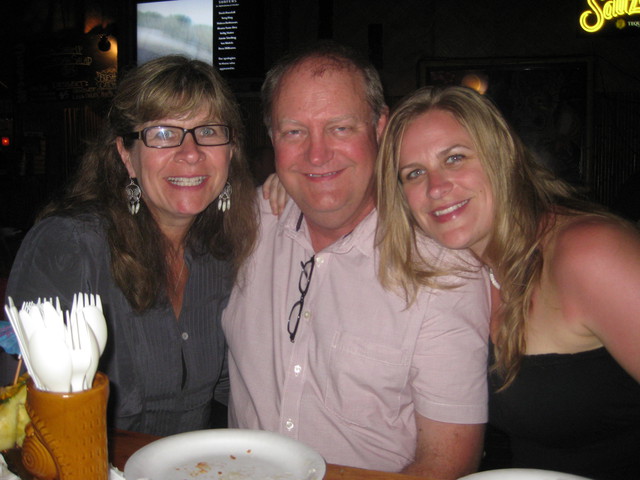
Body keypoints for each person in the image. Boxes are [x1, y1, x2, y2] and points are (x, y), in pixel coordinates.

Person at [222, 41, 490, 477]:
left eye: (340, 128)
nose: (316, 154)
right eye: (294, 132)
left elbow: (447, 462)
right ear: (271, 137)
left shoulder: (444, 272)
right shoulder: (248, 224)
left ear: (380, 127)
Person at [376, 85, 640, 480]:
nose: (435, 187)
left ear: (501, 156)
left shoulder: (590, 254)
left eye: (454, 158)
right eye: (414, 173)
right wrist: (290, 192)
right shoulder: (467, 266)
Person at [5, 55, 258, 436]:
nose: (190, 153)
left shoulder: (219, 253)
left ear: (231, 149)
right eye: (162, 133)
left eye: (207, 131)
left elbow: (235, 385)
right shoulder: (70, 247)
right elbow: (20, 413)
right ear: (126, 154)